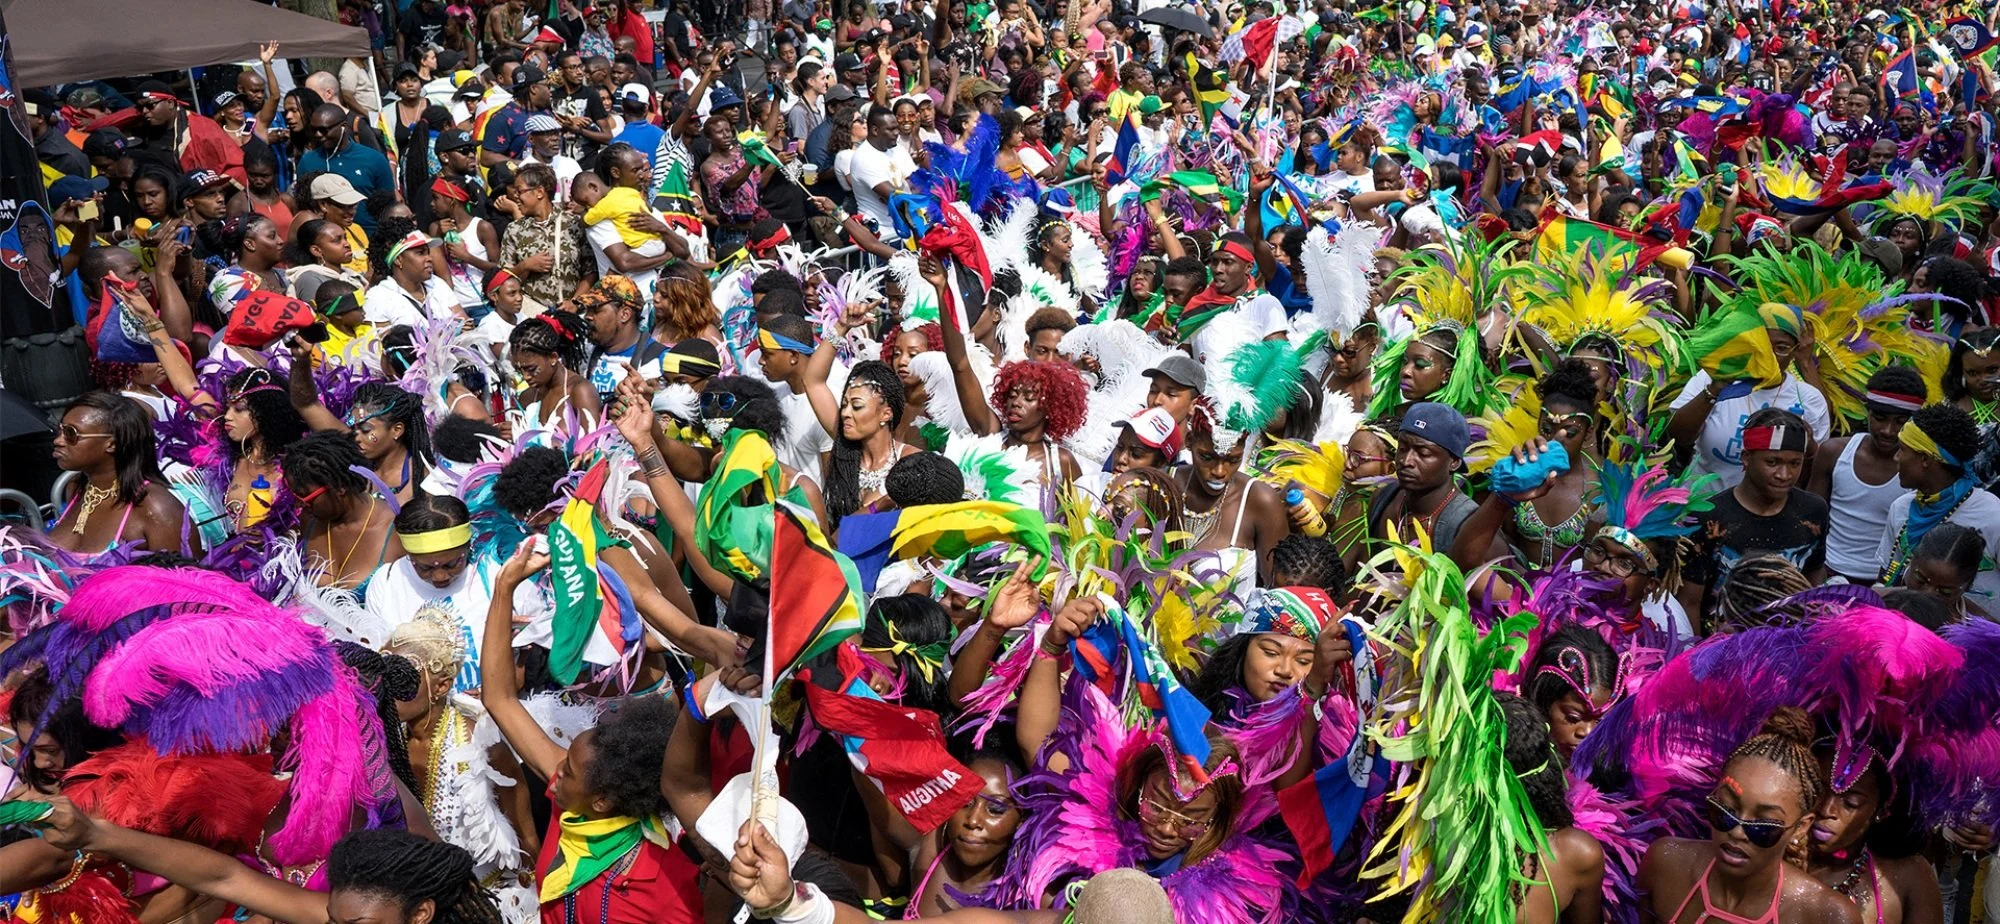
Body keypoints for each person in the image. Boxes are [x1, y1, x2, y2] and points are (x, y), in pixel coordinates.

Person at [1637, 707, 1863, 924]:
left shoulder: (1828, 916)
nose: (1737, 831)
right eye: (1725, 812)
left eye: (1762, 826)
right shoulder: (1665, 863)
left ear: (1802, 826)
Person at [1681, 409, 1830, 630]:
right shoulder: (1709, 517)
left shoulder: (1813, 511)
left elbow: (1813, 576)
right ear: (1746, 458)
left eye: (1794, 464)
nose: (1784, 474)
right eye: (1772, 462)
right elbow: (1689, 601)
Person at [1805, 367, 1927, 585]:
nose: (1888, 430)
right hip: (1827, 574)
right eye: (1880, 418)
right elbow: (1810, 520)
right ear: (1867, 412)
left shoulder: (1920, 469)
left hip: (1885, 583)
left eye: (1900, 422)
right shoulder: (1834, 452)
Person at [1877, 403, 2000, 606]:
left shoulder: (1992, 516)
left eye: (1902, 449)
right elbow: (1891, 571)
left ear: (1925, 459)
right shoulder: (1901, 508)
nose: (1896, 457)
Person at [46, 391, 190, 555]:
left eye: (71, 433)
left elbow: (185, 578)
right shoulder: (76, 489)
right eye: (60, 430)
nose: (58, 441)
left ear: (112, 444)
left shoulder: (156, 508)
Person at [298, 104, 398, 235]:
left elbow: (387, 207)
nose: (318, 135)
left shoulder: (374, 159)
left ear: (343, 127)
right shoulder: (308, 161)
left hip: (368, 239)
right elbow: (303, 207)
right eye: (314, 130)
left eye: (324, 130)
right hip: (325, 241)